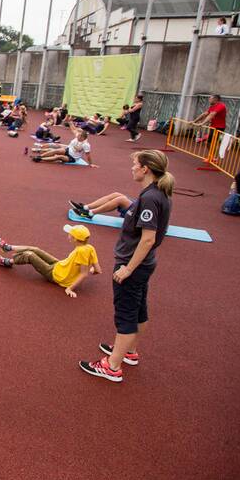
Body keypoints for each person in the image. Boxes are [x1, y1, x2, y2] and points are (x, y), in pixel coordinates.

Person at [80, 149, 173, 382]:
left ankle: (112, 366)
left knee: (126, 314)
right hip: (143, 263)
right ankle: (128, 351)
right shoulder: (156, 193)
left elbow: (148, 238)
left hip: (134, 265)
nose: (132, 168)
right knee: (139, 309)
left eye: (135, 164)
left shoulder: (152, 197)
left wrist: (128, 268)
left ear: (145, 169)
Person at [0, 224, 100, 298]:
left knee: (30, 255)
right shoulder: (90, 247)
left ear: (75, 239)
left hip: (56, 275)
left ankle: (7, 262)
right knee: (36, 249)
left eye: (70, 234)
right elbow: (98, 270)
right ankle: (8, 248)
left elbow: (84, 274)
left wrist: (70, 288)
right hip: (59, 265)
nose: (68, 235)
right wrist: (92, 269)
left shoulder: (81, 252)